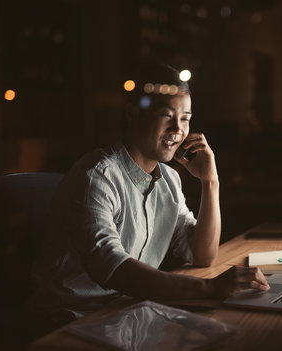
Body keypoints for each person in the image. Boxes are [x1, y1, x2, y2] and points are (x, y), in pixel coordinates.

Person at [26, 63, 269, 331]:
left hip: (129, 312)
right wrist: (210, 287)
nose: (178, 128)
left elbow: (203, 255)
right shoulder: (96, 177)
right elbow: (115, 269)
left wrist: (210, 182)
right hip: (72, 320)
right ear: (132, 114)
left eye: (186, 118)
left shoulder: (169, 179)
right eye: (167, 115)